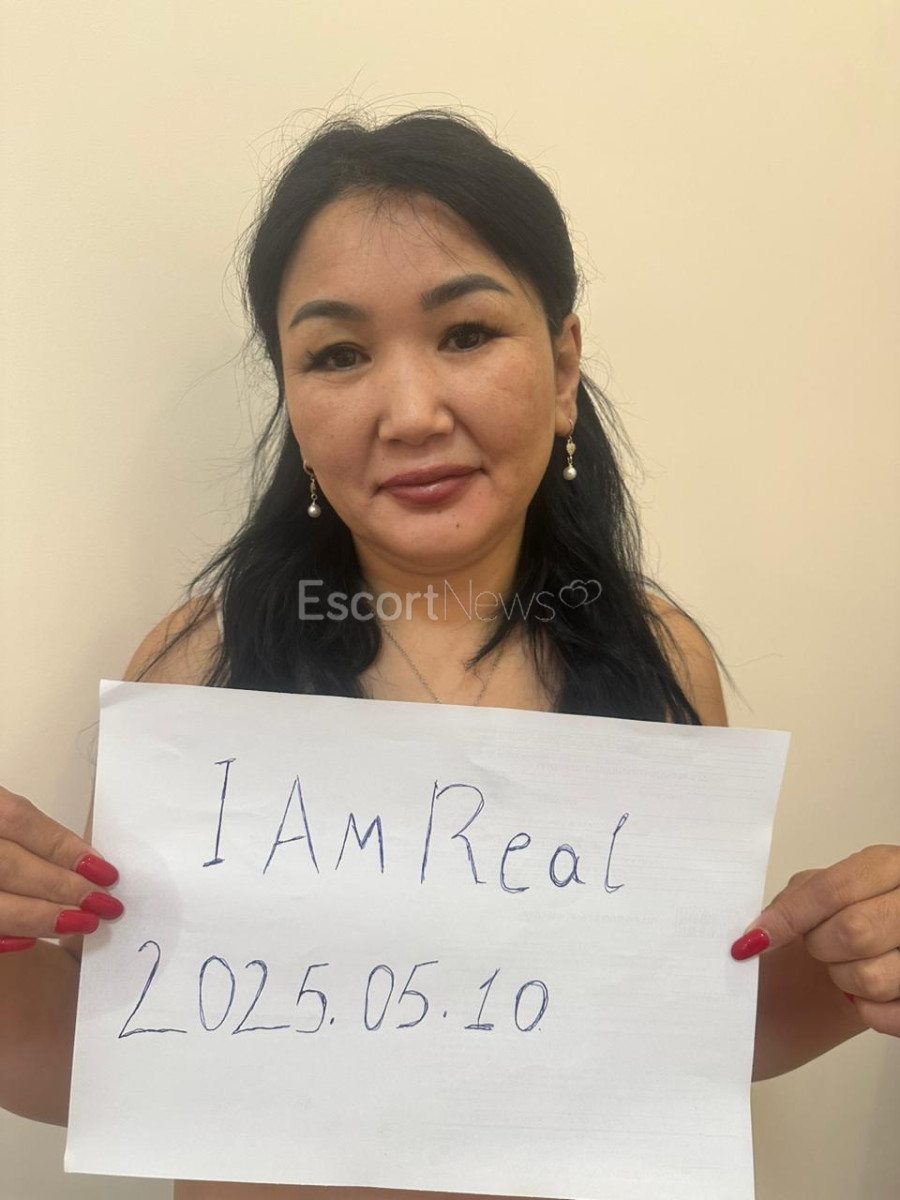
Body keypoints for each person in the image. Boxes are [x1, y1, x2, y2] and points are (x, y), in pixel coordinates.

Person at [0, 107, 897, 1200]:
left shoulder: (656, 659)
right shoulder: (199, 668)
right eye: (338, 354)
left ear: (562, 367)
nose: (412, 412)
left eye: (466, 334)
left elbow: (663, 1051)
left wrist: (854, 965)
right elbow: (98, 1060)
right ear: (292, 401)